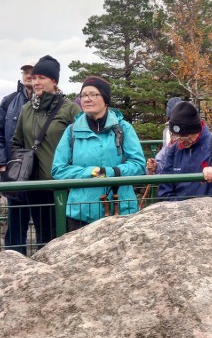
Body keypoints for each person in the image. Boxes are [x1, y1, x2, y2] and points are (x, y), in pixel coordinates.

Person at [52, 76, 144, 230]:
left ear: (106, 99)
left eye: (93, 94)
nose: (86, 99)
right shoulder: (72, 131)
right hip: (81, 213)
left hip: (120, 210)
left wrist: (110, 172)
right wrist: (92, 172)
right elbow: (58, 170)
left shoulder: (123, 128)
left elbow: (139, 164)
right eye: (83, 95)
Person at [10, 56, 81, 249]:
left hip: (62, 186)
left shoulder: (70, 109)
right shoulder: (26, 110)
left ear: (54, 81)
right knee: (43, 238)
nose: (36, 82)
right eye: (34, 78)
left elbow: (82, 142)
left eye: (42, 77)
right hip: (35, 185)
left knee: (64, 237)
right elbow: (17, 142)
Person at [157, 101, 212, 200]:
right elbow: (165, 190)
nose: (181, 142)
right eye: (177, 137)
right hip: (180, 212)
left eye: (186, 137)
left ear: (197, 130)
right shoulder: (174, 151)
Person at [0, 61, 35, 253]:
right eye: (25, 72)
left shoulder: (54, 102)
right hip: (15, 171)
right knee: (16, 225)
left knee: (45, 223)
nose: (28, 75)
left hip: (41, 173)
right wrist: (3, 163)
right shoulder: (9, 101)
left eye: (33, 72)